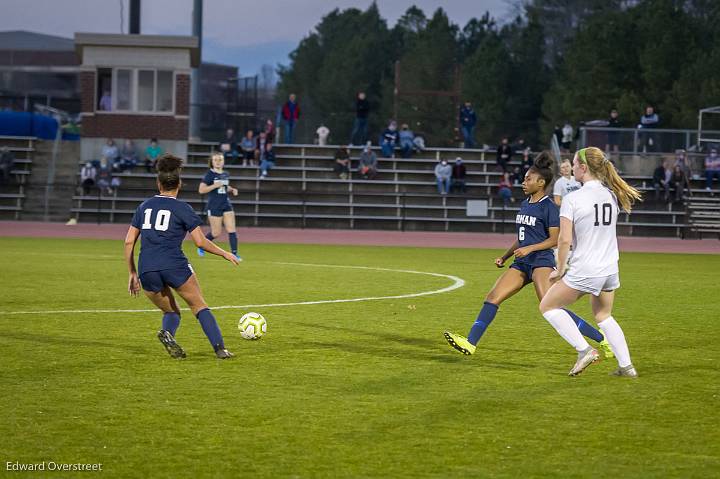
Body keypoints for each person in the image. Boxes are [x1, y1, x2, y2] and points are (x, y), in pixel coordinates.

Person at [444, 152, 610, 357]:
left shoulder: (549, 207)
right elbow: (522, 237)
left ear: (541, 183)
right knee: (492, 298)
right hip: (521, 263)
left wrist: (530, 249)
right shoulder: (525, 204)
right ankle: (470, 343)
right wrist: (505, 256)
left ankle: (602, 339)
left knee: (549, 306)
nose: (523, 182)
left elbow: (554, 240)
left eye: (528, 179)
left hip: (541, 262)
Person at [538, 146, 642, 377]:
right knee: (603, 316)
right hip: (609, 268)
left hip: (587, 268)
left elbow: (564, 240)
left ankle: (584, 350)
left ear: (583, 168)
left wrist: (560, 269)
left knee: (548, 306)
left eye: (574, 164)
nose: (572, 167)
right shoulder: (611, 194)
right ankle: (627, 367)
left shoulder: (573, 198)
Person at [124, 154, 239, 360]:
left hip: (146, 268)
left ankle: (168, 333)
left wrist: (132, 272)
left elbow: (128, 241)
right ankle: (220, 349)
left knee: (171, 312)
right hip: (174, 265)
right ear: (179, 184)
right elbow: (200, 242)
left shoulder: (144, 207)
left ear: (158, 183)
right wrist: (224, 253)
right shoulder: (183, 208)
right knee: (199, 306)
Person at [197, 152, 241, 260]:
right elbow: (201, 190)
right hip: (214, 205)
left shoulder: (225, 173)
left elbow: (224, 187)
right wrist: (214, 185)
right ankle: (202, 246)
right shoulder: (209, 175)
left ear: (223, 161)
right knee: (216, 233)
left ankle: (235, 254)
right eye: (215, 160)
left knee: (231, 229)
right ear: (212, 162)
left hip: (226, 204)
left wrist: (232, 189)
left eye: (220, 159)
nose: (218, 162)